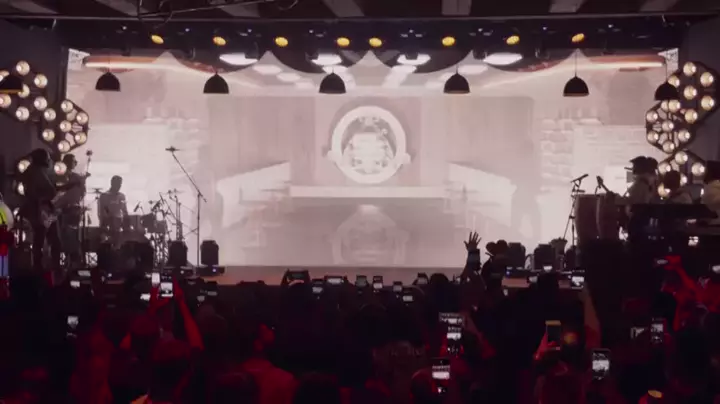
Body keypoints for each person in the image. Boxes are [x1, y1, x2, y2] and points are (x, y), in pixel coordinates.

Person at [19, 149, 80, 273]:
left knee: (44, 240)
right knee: (47, 240)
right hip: (42, 211)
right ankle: (47, 268)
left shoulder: (32, 171)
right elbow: (50, 191)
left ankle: (42, 266)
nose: (49, 160)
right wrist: (67, 187)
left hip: (43, 210)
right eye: (47, 158)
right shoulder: (37, 172)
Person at [98, 175, 128, 243]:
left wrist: (126, 220)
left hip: (118, 224)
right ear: (112, 183)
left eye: (120, 184)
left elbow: (125, 210)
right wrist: (111, 218)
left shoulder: (122, 196)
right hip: (107, 224)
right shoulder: (104, 195)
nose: (119, 186)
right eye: (117, 184)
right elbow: (104, 210)